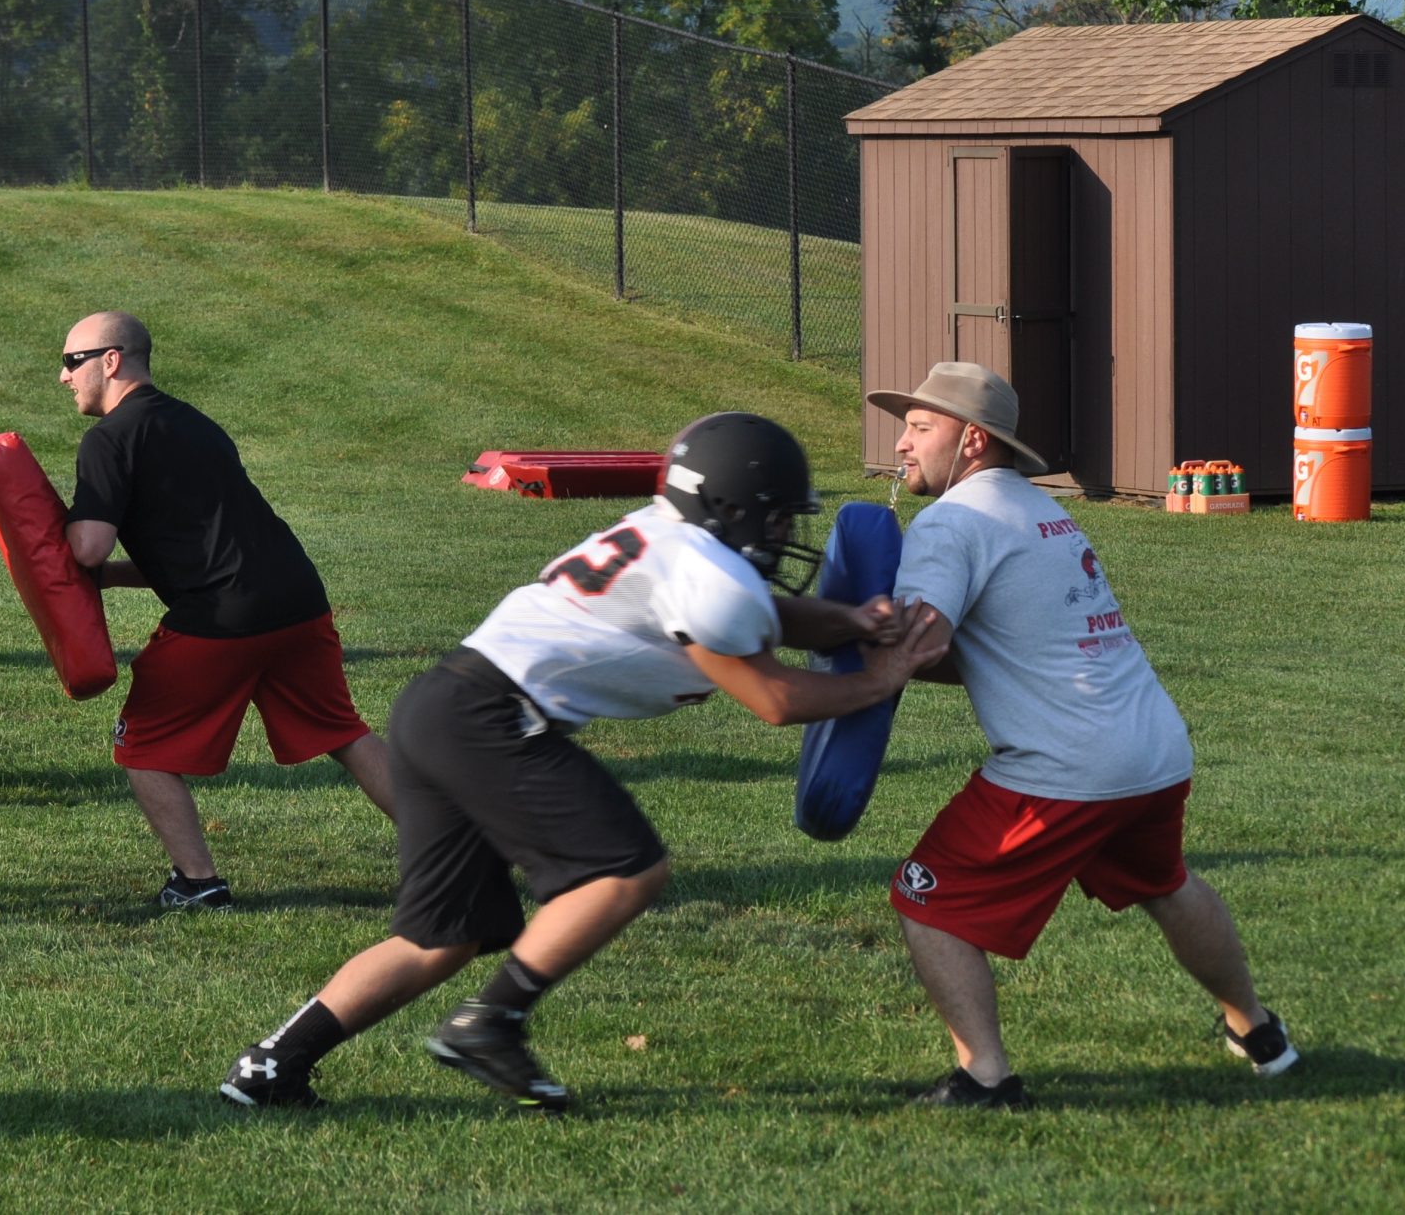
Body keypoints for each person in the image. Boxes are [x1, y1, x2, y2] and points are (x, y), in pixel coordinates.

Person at [221, 413, 943, 1112]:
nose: (786, 532)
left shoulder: (669, 536)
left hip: (441, 704)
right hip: (492, 717)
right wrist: (880, 680)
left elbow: (761, 613)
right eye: (777, 515)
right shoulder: (707, 573)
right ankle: (491, 1023)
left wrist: (848, 621)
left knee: (440, 937)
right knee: (626, 869)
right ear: (728, 505)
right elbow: (774, 697)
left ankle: (271, 1064)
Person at [871, 362, 1297, 1109]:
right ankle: (1260, 1033)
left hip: (1067, 766)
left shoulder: (950, 521)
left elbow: (918, 647)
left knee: (924, 897)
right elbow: (1007, 650)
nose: (901, 443)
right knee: (1164, 883)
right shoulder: (1038, 510)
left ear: (971, 441)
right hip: (1152, 748)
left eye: (919, 426)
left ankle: (986, 1080)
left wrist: (838, 637)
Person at [59, 310, 396, 909]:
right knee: (343, 731)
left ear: (110, 362)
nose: (64, 377)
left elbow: (86, 546)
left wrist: (46, 549)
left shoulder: (108, 439)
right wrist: (112, 579)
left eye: (71, 362)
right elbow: (203, 539)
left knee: (143, 748)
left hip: (222, 618)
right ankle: (456, 851)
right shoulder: (194, 421)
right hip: (296, 597)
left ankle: (197, 882)